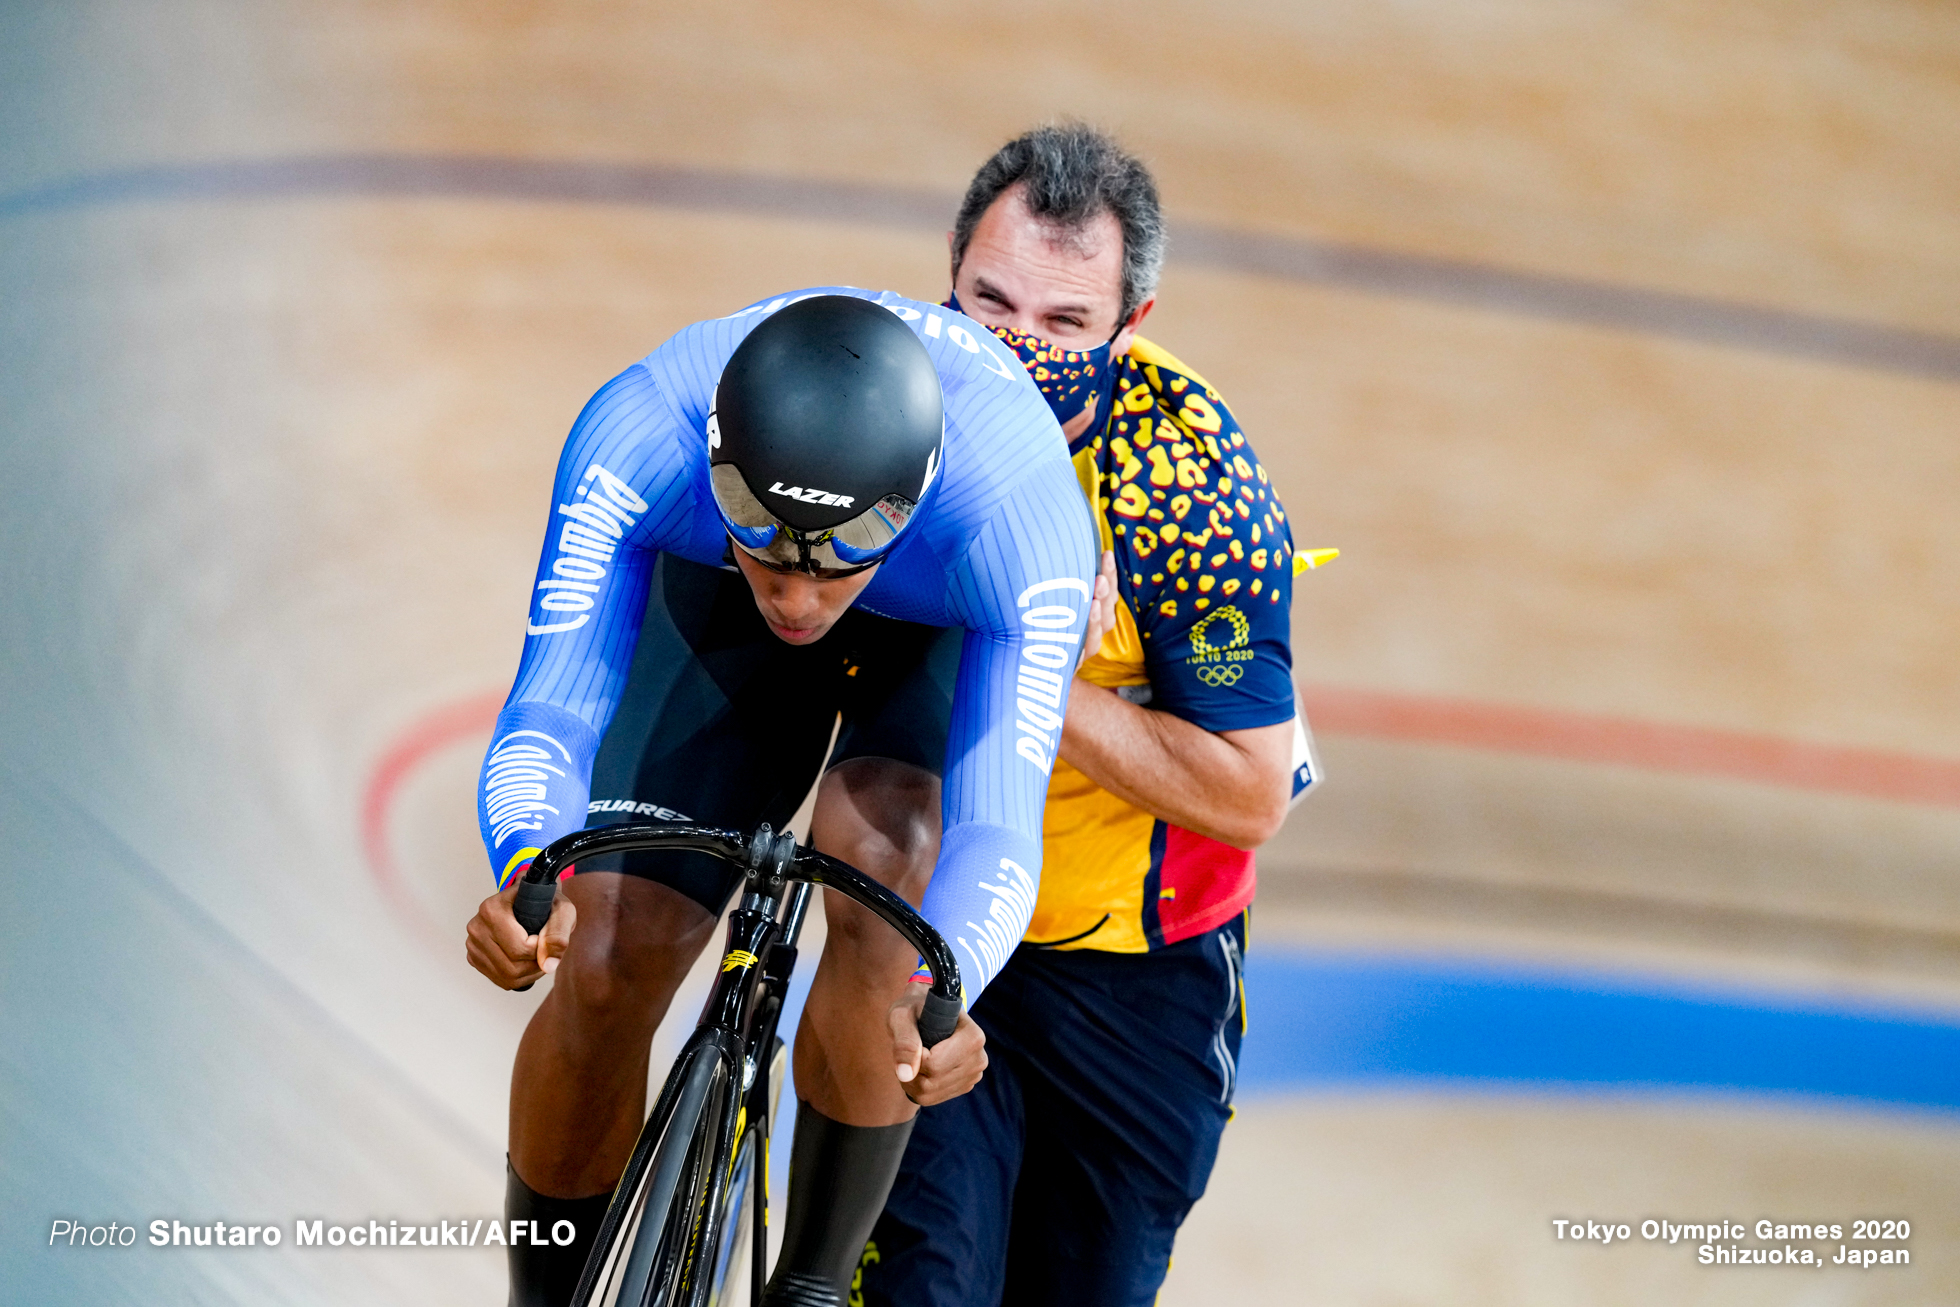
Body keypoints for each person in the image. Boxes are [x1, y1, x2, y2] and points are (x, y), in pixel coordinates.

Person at [464, 290, 1103, 1307]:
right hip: (723, 590)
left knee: (887, 877)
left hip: (930, 609)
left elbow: (996, 827)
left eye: (832, 558)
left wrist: (949, 986)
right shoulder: (641, 433)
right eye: (766, 540)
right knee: (606, 945)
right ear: (717, 468)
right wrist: (525, 869)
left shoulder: (1018, 525)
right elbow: (550, 709)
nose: (797, 597)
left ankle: (809, 1284)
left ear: (908, 499)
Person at [857, 125, 1316, 1307]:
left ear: (1132, 322)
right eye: (989, 300)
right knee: (923, 1282)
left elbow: (1249, 789)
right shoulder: (883, 404)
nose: (1016, 344)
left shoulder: (1189, 493)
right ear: (948, 268)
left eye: (1064, 324)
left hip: (1139, 979)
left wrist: (1036, 670)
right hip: (945, 925)